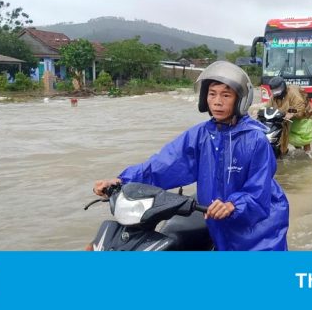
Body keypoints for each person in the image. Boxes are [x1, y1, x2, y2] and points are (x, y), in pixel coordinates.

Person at [93, 61, 289, 251]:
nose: (217, 101)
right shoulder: (200, 135)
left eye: (226, 95)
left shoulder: (255, 140)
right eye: (212, 94)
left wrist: (233, 205)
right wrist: (122, 180)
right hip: (218, 221)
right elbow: (163, 164)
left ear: (240, 99)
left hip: (260, 229)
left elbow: (259, 190)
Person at [267, 76, 312, 158]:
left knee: (304, 138)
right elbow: (268, 107)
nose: (276, 93)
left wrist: (291, 113)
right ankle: (297, 151)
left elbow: (301, 108)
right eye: (274, 91)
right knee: (288, 136)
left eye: (277, 90)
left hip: (304, 115)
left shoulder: (293, 93)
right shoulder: (274, 97)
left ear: (283, 87)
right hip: (288, 117)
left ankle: (308, 155)